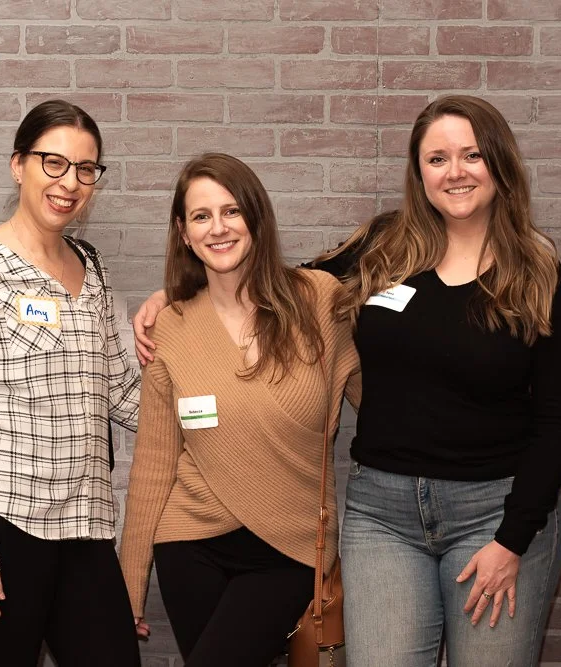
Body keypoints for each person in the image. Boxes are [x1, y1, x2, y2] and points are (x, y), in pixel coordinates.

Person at [133, 96, 561, 666]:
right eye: (437, 158)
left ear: (499, 162)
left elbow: (558, 421)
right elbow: (275, 283)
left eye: (472, 155)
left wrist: (512, 538)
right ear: (419, 172)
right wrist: (177, 297)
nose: (455, 172)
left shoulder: (540, 277)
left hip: (493, 513)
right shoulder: (383, 247)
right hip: (383, 518)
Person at [0, 99, 142, 667]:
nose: (70, 183)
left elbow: (120, 392)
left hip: (85, 523)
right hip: (2, 528)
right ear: (18, 165)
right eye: (53, 163)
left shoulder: (91, 267)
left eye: (85, 169)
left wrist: (218, 403)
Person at [118, 153, 360, 666]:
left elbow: (381, 401)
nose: (218, 228)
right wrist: (129, 588)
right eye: (201, 216)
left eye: (231, 211)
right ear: (184, 233)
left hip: (292, 547)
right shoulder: (171, 327)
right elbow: (154, 465)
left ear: (256, 216)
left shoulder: (318, 300)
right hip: (189, 544)